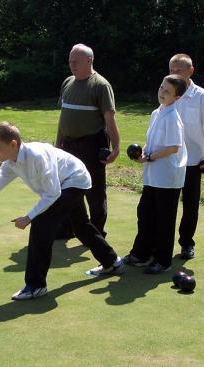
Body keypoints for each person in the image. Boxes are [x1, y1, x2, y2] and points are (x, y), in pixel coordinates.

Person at [0, 122, 123, 301]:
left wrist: (29, 217)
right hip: (64, 183)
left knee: (41, 224)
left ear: (13, 143)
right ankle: (111, 261)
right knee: (81, 226)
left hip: (75, 179)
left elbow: (53, 193)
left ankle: (36, 286)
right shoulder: (11, 162)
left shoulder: (37, 156)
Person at [122, 75, 188, 274]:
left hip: (167, 177)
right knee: (145, 214)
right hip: (153, 175)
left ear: (177, 98)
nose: (162, 92)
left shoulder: (173, 117)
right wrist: (144, 153)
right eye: (161, 88)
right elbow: (155, 143)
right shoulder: (156, 113)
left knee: (164, 220)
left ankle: (163, 260)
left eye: (167, 91)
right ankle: (142, 253)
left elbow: (173, 147)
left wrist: (149, 157)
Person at [55, 43, 120, 239]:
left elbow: (109, 119)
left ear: (89, 60)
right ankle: (68, 228)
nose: (72, 65)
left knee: (94, 190)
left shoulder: (100, 85)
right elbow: (63, 116)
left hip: (92, 144)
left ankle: (97, 232)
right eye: (70, 61)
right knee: (67, 186)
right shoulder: (67, 82)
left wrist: (116, 147)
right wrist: (58, 144)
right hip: (69, 144)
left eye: (76, 61)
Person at [169, 54, 204, 259]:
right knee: (167, 204)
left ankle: (186, 243)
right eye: (172, 69)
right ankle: (160, 244)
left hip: (193, 160)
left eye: (178, 70)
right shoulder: (167, 92)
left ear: (190, 71)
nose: (174, 73)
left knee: (190, 204)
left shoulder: (201, 96)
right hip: (169, 159)